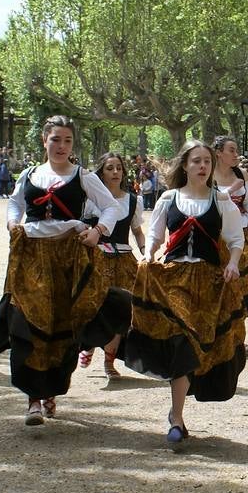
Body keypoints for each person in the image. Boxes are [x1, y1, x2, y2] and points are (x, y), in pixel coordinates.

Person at [0, 116, 128, 426]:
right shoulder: (29, 174)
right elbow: (14, 203)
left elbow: (112, 207)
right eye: (55, 140)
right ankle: (33, 399)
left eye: (67, 140)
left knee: (62, 326)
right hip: (32, 256)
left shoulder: (82, 177)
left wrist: (98, 231)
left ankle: (51, 388)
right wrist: (13, 223)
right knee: (26, 321)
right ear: (44, 140)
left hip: (70, 256)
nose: (61, 146)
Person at [123, 140, 245, 445]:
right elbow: (155, 235)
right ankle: (176, 417)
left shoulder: (222, 201)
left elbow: (235, 239)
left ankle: (179, 412)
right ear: (185, 165)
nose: (202, 166)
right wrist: (149, 254)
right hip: (174, 279)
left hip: (208, 283)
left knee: (199, 346)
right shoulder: (168, 198)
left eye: (206, 161)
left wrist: (232, 264)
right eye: (196, 161)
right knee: (182, 344)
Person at [79, 152, 147, 380]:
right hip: (97, 259)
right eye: (110, 168)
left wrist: (146, 253)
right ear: (101, 172)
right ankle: (88, 344)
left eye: (119, 168)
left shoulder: (133, 201)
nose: (115, 172)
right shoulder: (90, 201)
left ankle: (109, 362)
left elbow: (137, 231)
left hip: (124, 261)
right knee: (94, 305)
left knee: (124, 311)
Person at [212, 136, 248, 317]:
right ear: (219, 153)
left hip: (242, 232)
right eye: (231, 150)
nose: (236, 155)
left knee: (244, 279)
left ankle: (239, 330)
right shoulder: (208, 175)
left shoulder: (241, 174)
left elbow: (246, 202)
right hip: (219, 233)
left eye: (236, 150)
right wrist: (231, 190)